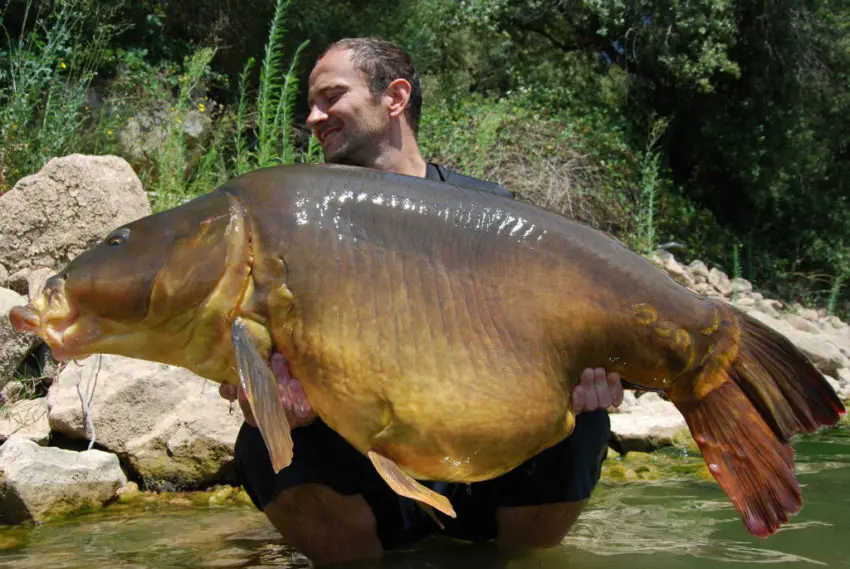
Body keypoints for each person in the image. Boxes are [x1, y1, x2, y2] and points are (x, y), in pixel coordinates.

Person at [219, 37, 624, 566]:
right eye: (310, 104)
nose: (314, 117)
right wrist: (270, 402)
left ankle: (523, 559)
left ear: (395, 97)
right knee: (260, 443)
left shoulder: (489, 215)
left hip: (485, 476)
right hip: (368, 481)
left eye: (331, 96)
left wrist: (587, 380)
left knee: (583, 422)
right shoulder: (298, 223)